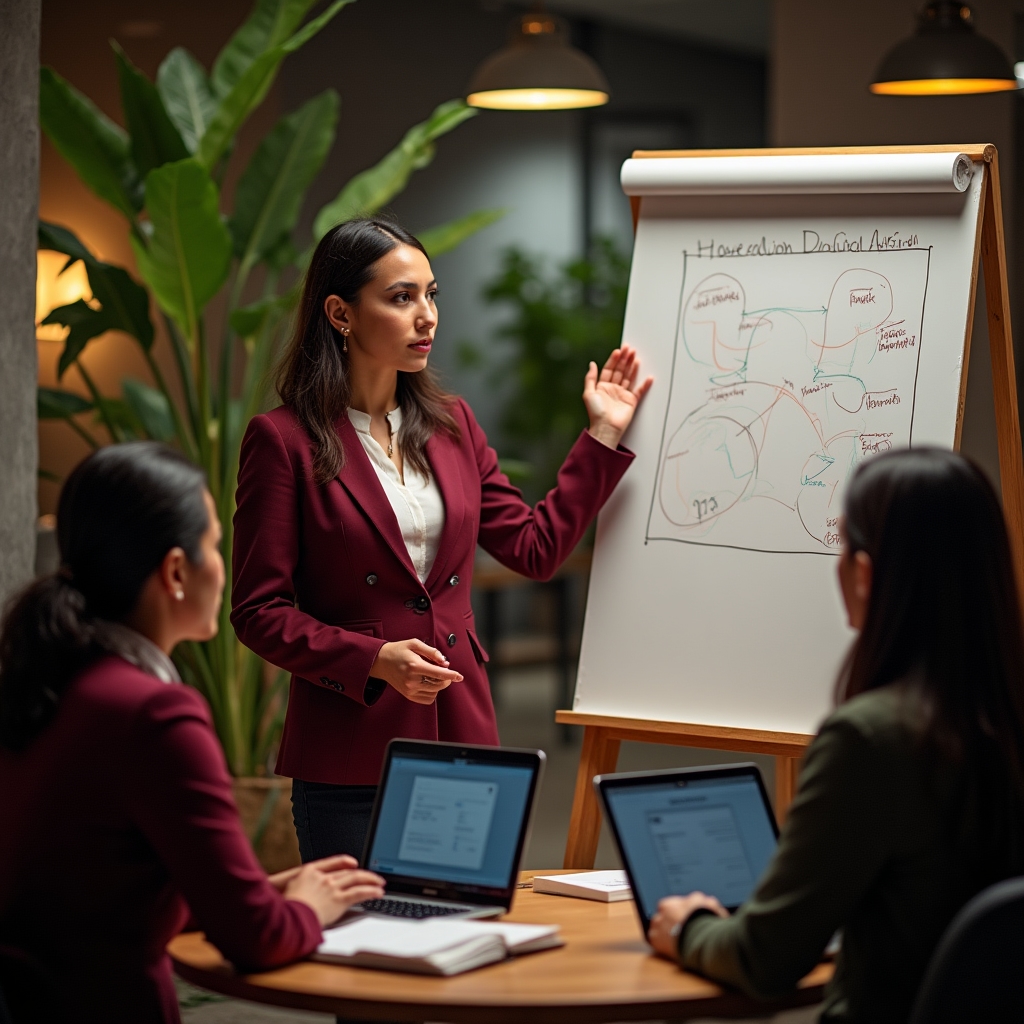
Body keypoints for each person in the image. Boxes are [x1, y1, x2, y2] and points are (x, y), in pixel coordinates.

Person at [231, 217, 652, 863]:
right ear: (341, 313)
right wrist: (373, 658)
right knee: (364, 928)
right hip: (352, 752)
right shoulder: (283, 441)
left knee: (468, 917)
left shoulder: (453, 425)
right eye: (401, 298)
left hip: (462, 737)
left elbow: (535, 549)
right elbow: (258, 612)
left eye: (431, 294)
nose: (426, 315)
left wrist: (602, 435)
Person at [0, 444, 385, 1024]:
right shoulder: (155, 714)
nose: (223, 567)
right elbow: (257, 939)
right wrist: (306, 909)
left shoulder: (49, 681)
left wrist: (262, 892)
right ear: (177, 572)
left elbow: (101, 892)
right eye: (214, 545)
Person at [648, 448, 1024, 1023]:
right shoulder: (1001, 717)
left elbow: (763, 958)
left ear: (865, 574)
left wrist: (687, 926)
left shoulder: (872, 742)